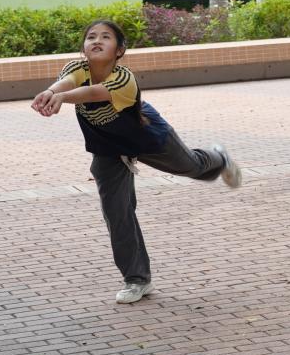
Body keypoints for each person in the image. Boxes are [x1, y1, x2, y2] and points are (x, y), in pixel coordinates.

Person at [30, 19, 241, 304]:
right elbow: (67, 82)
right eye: (91, 36)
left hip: (146, 135)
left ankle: (219, 158)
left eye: (106, 37)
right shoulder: (77, 68)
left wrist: (60, 96)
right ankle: (137, 279)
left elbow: (92, 93)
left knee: (191, 166)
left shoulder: (124, 78)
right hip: (108, 148)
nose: (97, 40)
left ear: (119, 50)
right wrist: (51, 92)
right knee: (117, 212)